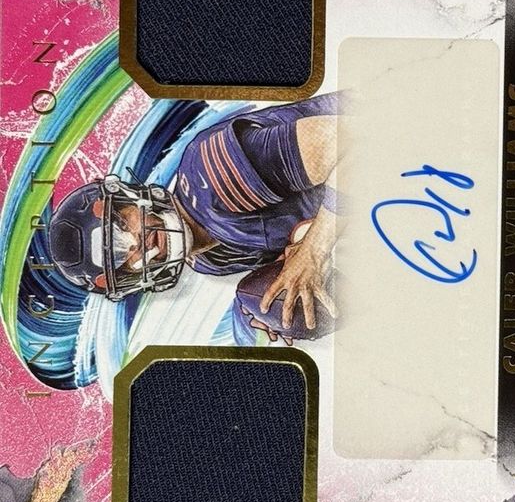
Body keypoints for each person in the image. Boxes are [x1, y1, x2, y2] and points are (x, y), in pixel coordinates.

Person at [49, 92, 340, 337]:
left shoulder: (213, 180)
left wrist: (314, 252)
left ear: (128, 200)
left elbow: (354, 140)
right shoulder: (209, 261)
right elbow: (297, 240)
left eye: (121, 226)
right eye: (119, 257)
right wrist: (276, 301)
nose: (135, 244)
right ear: (130, 278)